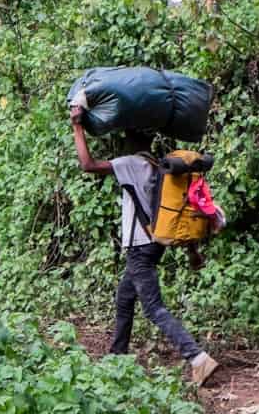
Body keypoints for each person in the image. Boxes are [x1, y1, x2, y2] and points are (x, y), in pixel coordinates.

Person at [70, 106, 220, 387]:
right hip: (154, 243)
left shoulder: (131, 163)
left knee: (153, 308)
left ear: (129, 139)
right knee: (125, 299)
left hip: (140, 247)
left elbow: (88, 165)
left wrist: (78, 126)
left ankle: (198, 358)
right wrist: (193, 251)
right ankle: (117, 357)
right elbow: (174, 209)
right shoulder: (159, 165)